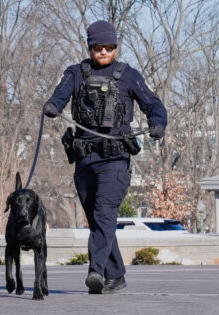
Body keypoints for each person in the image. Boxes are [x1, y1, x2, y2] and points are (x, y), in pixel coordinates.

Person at [44, 20, 167, 294]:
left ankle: (95, 271)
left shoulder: (129, 75)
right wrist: (52, 106)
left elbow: (153, 103)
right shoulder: (76, 73)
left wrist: (158, 123)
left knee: (103, 214)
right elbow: (59, 96)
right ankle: (116, 275)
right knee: (99, 220)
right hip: (85, 160)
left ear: (115, 47)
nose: (103, 51)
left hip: (115, 160)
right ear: (89, 47)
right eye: (98, 46)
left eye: (109, 46)